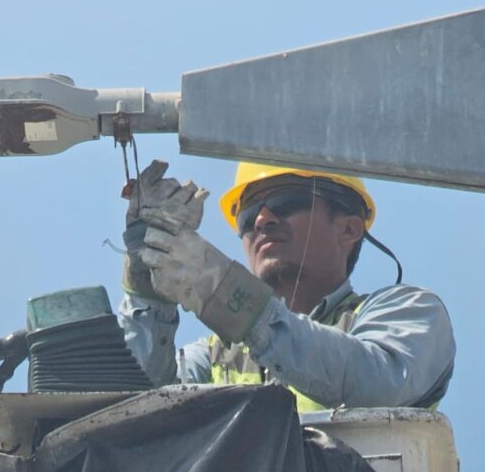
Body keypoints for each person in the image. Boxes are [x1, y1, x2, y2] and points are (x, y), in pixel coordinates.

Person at [119, 160, 455, 411]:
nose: (263, 220)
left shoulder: (410, 313)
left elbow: (379, 384)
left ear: (349, 230)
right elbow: (137, 415)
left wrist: (226, 294)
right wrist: (146, 286)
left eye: (285, 202)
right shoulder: (217, 358)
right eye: (248, 216)